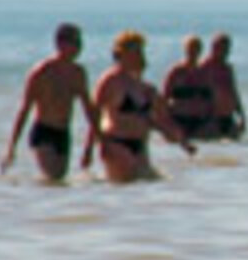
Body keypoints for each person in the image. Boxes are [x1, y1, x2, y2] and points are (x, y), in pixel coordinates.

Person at [84, 31, 197, 183]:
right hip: (117, 144)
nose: (139, 56)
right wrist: (90, 149)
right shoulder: (110, 81)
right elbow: (95, 115)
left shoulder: (145, 88)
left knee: (155, 184)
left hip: (141, 147)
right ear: (122, 54)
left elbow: (161, 119)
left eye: (140, 51)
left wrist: (182, 141)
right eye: (135, 51)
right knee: (126, 188)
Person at [2, 22, 99, 182]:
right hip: (43, 132)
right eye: (74, 43)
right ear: (60, 44)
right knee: (54, 176)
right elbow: (25, 109)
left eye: (80, 44)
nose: (78, 48)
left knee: (59, 179)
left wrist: (99, 142)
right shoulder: (41, 72)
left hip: (63, 133)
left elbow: (88, 109)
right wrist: (12, 147)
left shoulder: (78, 73)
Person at [162, 35, 215, 142]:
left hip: (200, 120)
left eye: (196, 49)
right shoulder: (176, 71)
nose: (193, 52)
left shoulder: (204, 73)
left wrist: (210, 118)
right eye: (190, 49)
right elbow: (164, 97)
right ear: (185, 50)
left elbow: (211, 99)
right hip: (180, 118)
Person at [198, 32, 245, 140]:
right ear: (213, 48)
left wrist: (242, 116)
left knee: (235, 146)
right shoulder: (204, 67)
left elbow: (234, 92)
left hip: (228, 116)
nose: (225, 52)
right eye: (222, 48)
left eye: (227, 49)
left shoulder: (227, 69)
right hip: (211, 117)